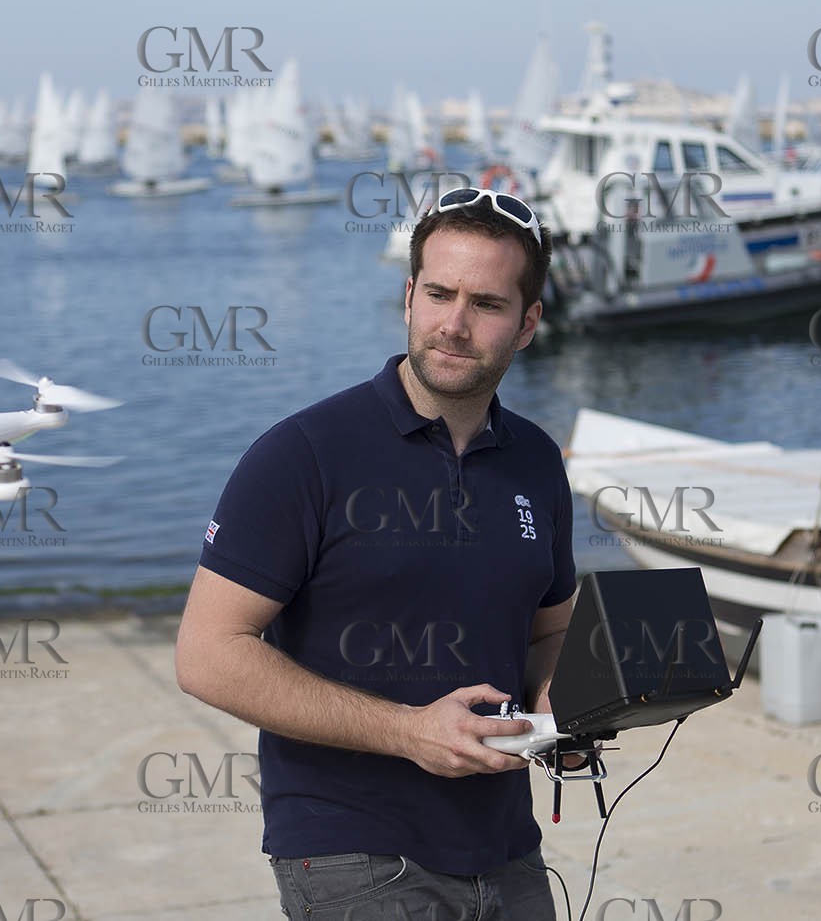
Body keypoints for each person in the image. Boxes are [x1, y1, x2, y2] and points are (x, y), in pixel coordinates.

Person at [175, 187, 578, 920]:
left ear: (527, 324)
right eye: (438, 293)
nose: (454, 324)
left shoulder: (538, 462)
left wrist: (564, 708)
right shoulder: (304, 454)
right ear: (407, 297)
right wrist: (407, 730)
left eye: (486, 303)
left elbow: (550, 630)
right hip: (350, 850)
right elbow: (207, 653)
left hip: (508, 848)